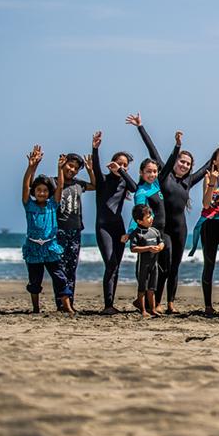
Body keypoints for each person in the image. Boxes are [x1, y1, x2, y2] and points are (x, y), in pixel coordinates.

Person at [126, 113, 207, 314]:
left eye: (188, 164)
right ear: (176, 162)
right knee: (165, 264)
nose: (184, 165)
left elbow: (207, 169)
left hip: (181, 229)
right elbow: (151, 150)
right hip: (163, 229)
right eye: (182, 161)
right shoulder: (164, 176)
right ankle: (157, 302)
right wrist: (140, 127)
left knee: (175, 267)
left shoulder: (188, 181)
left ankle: (170, 303)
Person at [21, 146, 73, 315]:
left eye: (45, 190)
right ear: (34, 192)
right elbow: (26, 184)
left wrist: (60, 168)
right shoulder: (29, 205)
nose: (42, 193)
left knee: (60, 277)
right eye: (38, 190)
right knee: (35, 280)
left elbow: (60, 186)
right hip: (33, 248)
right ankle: (36, 307)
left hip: (51, 247)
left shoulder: (53, 204)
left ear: (49, 193)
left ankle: (67, 306)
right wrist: (31, 166)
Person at [189, 146, 219, 315]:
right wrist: (212, 183)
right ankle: (208, 305)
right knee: (209, 264)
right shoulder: (209, 177)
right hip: (210, 223)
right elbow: (205, 203)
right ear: (215, 161)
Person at [92, 132, 133, 315]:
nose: (121, 166)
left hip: (119, 227)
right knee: (110, 262)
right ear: (111, 164)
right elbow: (94, 167)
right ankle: (107, 305)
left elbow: (135, 188)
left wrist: (123, 172)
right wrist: (95, 148)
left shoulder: (125, 183)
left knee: (116, 265)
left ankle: (110, 303)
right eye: (119, 163)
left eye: (125, 165)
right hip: (103, 227)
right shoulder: (103, 180)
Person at [54, 152, 95, 310]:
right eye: (70, 165)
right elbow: (55, 196)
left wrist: (90, 170)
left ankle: (70, 302)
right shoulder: (54, 182)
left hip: (75, 230)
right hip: (59, 231)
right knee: (60, 267)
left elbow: (95, 185)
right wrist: (59, 170)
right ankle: (61, 303)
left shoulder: (79, 184)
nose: (72, 169)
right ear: (63, 164)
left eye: (76, 168)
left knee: (72, 267)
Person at [128, 205, 165, 318]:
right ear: (139, 221)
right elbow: (133, 248)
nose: (151, 219)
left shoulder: (154, 231)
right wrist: (148, 248)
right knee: (142, 288)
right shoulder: (137, 233)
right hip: (142, 265)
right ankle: (143, 310)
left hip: (154, 265)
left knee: (152, 288)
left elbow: (162, 242)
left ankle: (152, 309)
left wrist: (160, 247)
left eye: (151, 216)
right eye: (148, 217)